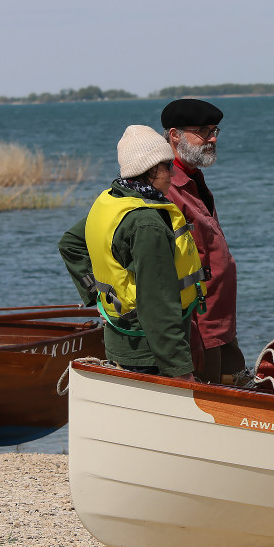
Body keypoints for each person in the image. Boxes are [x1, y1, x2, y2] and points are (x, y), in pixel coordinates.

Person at [58, 125, 205, 380]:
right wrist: (180, 372)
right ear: (149, 170)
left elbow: (70, 243)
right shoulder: (147, 224)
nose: (172, 172)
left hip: (120, 341)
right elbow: (157, 304)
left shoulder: (114, 200)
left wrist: (100, 294)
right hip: (150, 355)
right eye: (168, 166)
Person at [160, 99, 247, 385]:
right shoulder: (165, 188)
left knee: (238, 390)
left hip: (219, 320)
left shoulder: (193, 177)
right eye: (202, 131)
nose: (212, 138)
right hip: (197, 325)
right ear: (175, 135)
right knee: (209, 403)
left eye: (214, 130)